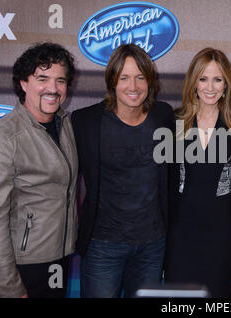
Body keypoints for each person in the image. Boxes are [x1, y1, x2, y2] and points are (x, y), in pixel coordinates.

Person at [71, 44, 173, 298]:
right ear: (112, 82)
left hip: (152, 245)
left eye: (140, 78)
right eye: (124, 78)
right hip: (102, 246)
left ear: (150, 82)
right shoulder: (85, 121)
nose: (133, 86)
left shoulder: (163, 115)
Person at [0, 42, 78, 298]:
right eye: (42, 78)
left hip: (58, 259)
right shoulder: (4, 139)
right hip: (20, 267)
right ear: (23, 83)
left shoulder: (63, 124)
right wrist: (9, 287)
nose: (53, 88)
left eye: (60, 80)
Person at [164, 48, 231, 297]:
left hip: (221, 236)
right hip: (179, 235)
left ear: (227, 84)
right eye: (203, 78)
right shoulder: (173, 122)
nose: (210, 87)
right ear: (193, 82)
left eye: (218, 79)